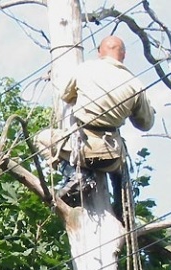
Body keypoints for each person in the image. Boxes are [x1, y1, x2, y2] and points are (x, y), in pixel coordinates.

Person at [36, 36, 155, 214]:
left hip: (82, 150)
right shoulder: (135, 84)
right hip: (111, 156)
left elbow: (66, 96)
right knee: (122, 164)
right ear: (124, 55)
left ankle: (74, 174)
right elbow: (145, 124)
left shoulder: (85, 69)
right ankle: (124, 205)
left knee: (41, 139)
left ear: (100, 52)